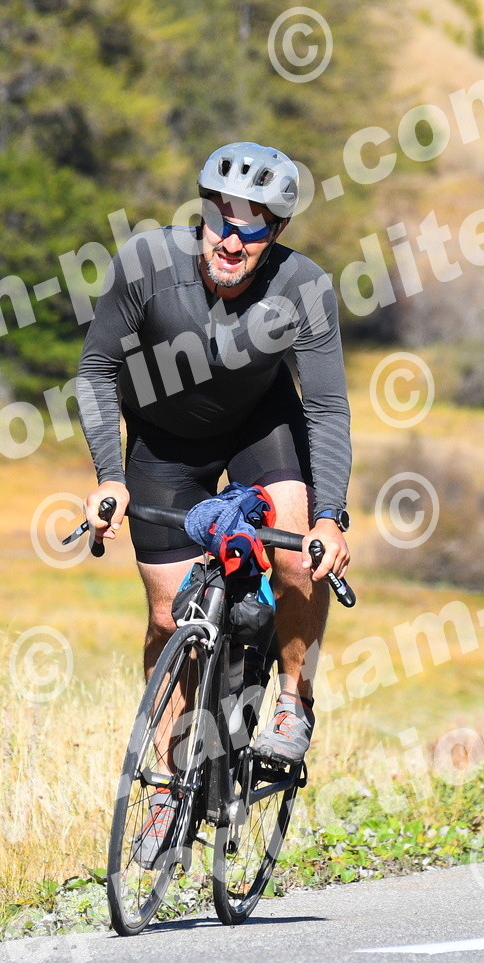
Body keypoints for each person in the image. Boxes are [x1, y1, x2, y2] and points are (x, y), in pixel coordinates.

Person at [76, 141, 353, 849]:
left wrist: (329, 517)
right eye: (219, 219)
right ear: (201, 215)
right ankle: (167, 787)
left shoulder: (303, 287)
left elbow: (326, 408)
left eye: (252, 227)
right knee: (167, 619)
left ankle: (292, 700)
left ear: (276, 232)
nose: (230, 240)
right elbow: (96, 371)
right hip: (164, 445)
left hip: (263, 430)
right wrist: (109, 475)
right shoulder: (145, 264)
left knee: (295, 556)